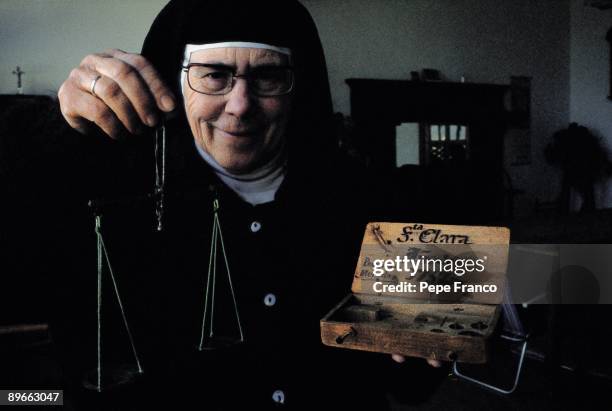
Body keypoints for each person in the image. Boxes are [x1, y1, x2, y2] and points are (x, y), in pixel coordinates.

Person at [31, 0, 444, 409]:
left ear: (297, 88)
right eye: (214, 76)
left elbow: (410, 386)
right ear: (173, 84)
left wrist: (440, 337)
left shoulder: (370, 199)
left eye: (267, 77)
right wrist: (58, 123)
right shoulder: (111, 198)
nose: (241, 105)